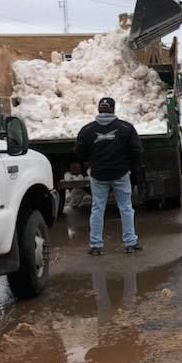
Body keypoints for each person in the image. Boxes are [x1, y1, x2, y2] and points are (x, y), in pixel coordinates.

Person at [74, 97, 143, 255]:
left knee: (97, 208)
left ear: (99, 109)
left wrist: (90, 163)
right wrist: (130, 167)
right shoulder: (126, 128)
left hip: (98, 174)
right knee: (125, 207)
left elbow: (79, 152)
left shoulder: (87, 130)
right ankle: (130, 242)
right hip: (121, 173)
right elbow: (136, 151)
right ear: (113, 109)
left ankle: (96, 245)